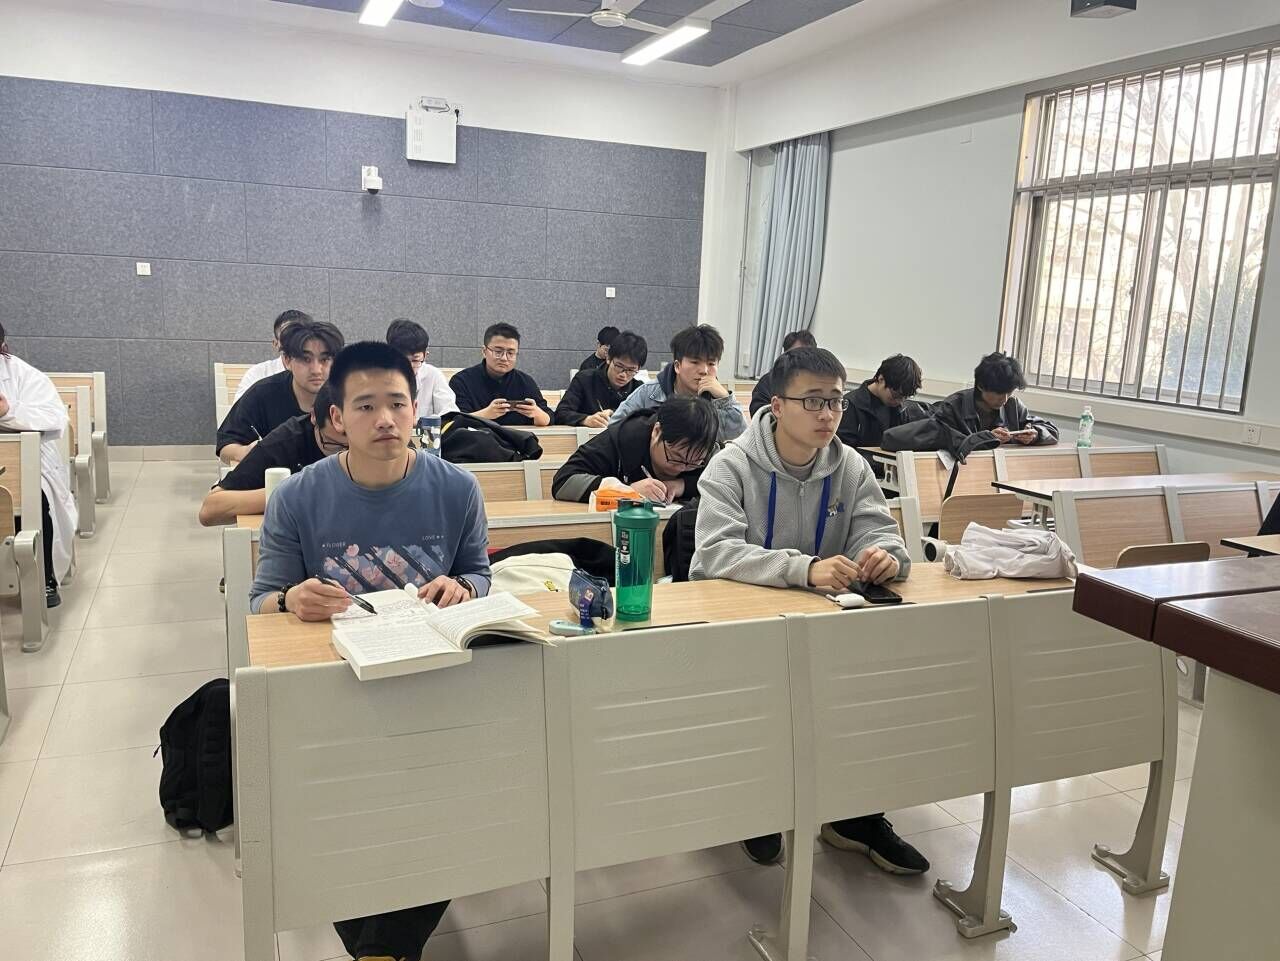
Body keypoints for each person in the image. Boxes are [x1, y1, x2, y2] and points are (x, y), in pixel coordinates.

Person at [249, 341, 492, 961]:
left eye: (398, 404)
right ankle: (385, 945)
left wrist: (464, 587)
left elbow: (479, 572)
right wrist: (289, 599)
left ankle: (381, 947)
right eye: (365, 406)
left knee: (436, 796)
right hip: (335, 688)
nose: (385, 419)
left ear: (415, 411)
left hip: (432, 681)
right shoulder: (297, 497)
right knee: (346, 802)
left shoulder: (457, 489)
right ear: (337, 418)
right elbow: (260, 602)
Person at [691, 346, 927, 875]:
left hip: (828, 629)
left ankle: (855, 817)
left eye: (836, 402)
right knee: (761, 710)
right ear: (777, 405)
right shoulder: (731, 465)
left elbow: (881, 533)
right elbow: (714, 552)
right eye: (813, 401)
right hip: (746, 631)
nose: (828, 414)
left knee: (872, 697)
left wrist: (886, 557)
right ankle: (755, 808)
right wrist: (805, 568)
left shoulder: (851, 466)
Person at [0, 326, 77, 608]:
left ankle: (44, 577)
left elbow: (54, 418)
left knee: (33, 497)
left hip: (21, 459)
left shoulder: (23, 375)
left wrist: (8, 412)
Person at [198, 384, 346, 526]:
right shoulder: (285, 442)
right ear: (313, 416)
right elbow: (210, 510)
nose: (346, 456)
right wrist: (290, 493)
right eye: (336, 446)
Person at [216, 319, 344, 464]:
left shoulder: (348, 395)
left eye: (325, 359)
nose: (316, 370)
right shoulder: (263, 393)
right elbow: (225, 445)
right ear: (287, 360)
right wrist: (244, 452)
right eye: (306, 359)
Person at [552, 396, 718, 505]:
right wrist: (628, 491)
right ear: (656, 431)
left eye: (693, 463)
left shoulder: (707, 449)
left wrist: (683, 485)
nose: (681, 468)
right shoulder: (621, 439)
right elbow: (563, 482)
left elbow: (726, 485)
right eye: (675, 457)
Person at [608, 324, 747, 441]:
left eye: (711, 363)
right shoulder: (649, 393)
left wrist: (725, 399)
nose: (704, 370)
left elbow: (740, 438)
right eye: (695, 362)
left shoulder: (720, 400)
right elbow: (614, 427)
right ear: (677, 366)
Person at [933, 352, 1059, 445]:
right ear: (981, 386)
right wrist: (985, 439)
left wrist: (1036, 434)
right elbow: (942, 443)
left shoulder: (1013, 406)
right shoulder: (953, 407)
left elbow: (1052, 431)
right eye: (999, 393)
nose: (1005, 399)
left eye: (1009, 393)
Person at [837, 354, 930, 471]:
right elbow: (845, 453)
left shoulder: (901, 409)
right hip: (859, 473)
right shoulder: (851, 405)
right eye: (895, 395)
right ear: (881, 379)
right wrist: (884, 463)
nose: (899, 401)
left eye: (904, 397)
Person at [449, 323, 552, 427]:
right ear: (484, 351)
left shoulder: (525, 382)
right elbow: (453, 421)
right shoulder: (461, 381)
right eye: (498, 352)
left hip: (517, 437)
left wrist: (537, 414)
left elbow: (550, 417)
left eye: (510, 353)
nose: (504, 358)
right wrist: (486, 414)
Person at [554, 331, 647, 428]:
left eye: (631, 370)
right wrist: (585, 420)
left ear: (638, 368)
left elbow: (648, 417)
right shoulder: (584, 379)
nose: (623, 374)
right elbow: (561, 413)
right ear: (608, 358)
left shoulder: (639, 389)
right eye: (619, 366)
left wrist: (615, 413)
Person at [385, 318, 457, 420]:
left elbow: (450, 414)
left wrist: (420, 422)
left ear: (425, 355)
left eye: (415, 360)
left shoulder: (433, 375)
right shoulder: (375, 376)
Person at [234, 308, 309, 402]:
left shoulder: (320, 373)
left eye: (301, 337)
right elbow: (240, 409)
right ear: (276, 344)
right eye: (287, 337)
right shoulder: (258, 374)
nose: (294, 343)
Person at [749, 330, 816, 415]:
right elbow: (759, 412)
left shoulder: (821, 381)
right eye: (794, 355)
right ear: (785, 355)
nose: (799, 360)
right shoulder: (769, 381)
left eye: (805, 354)